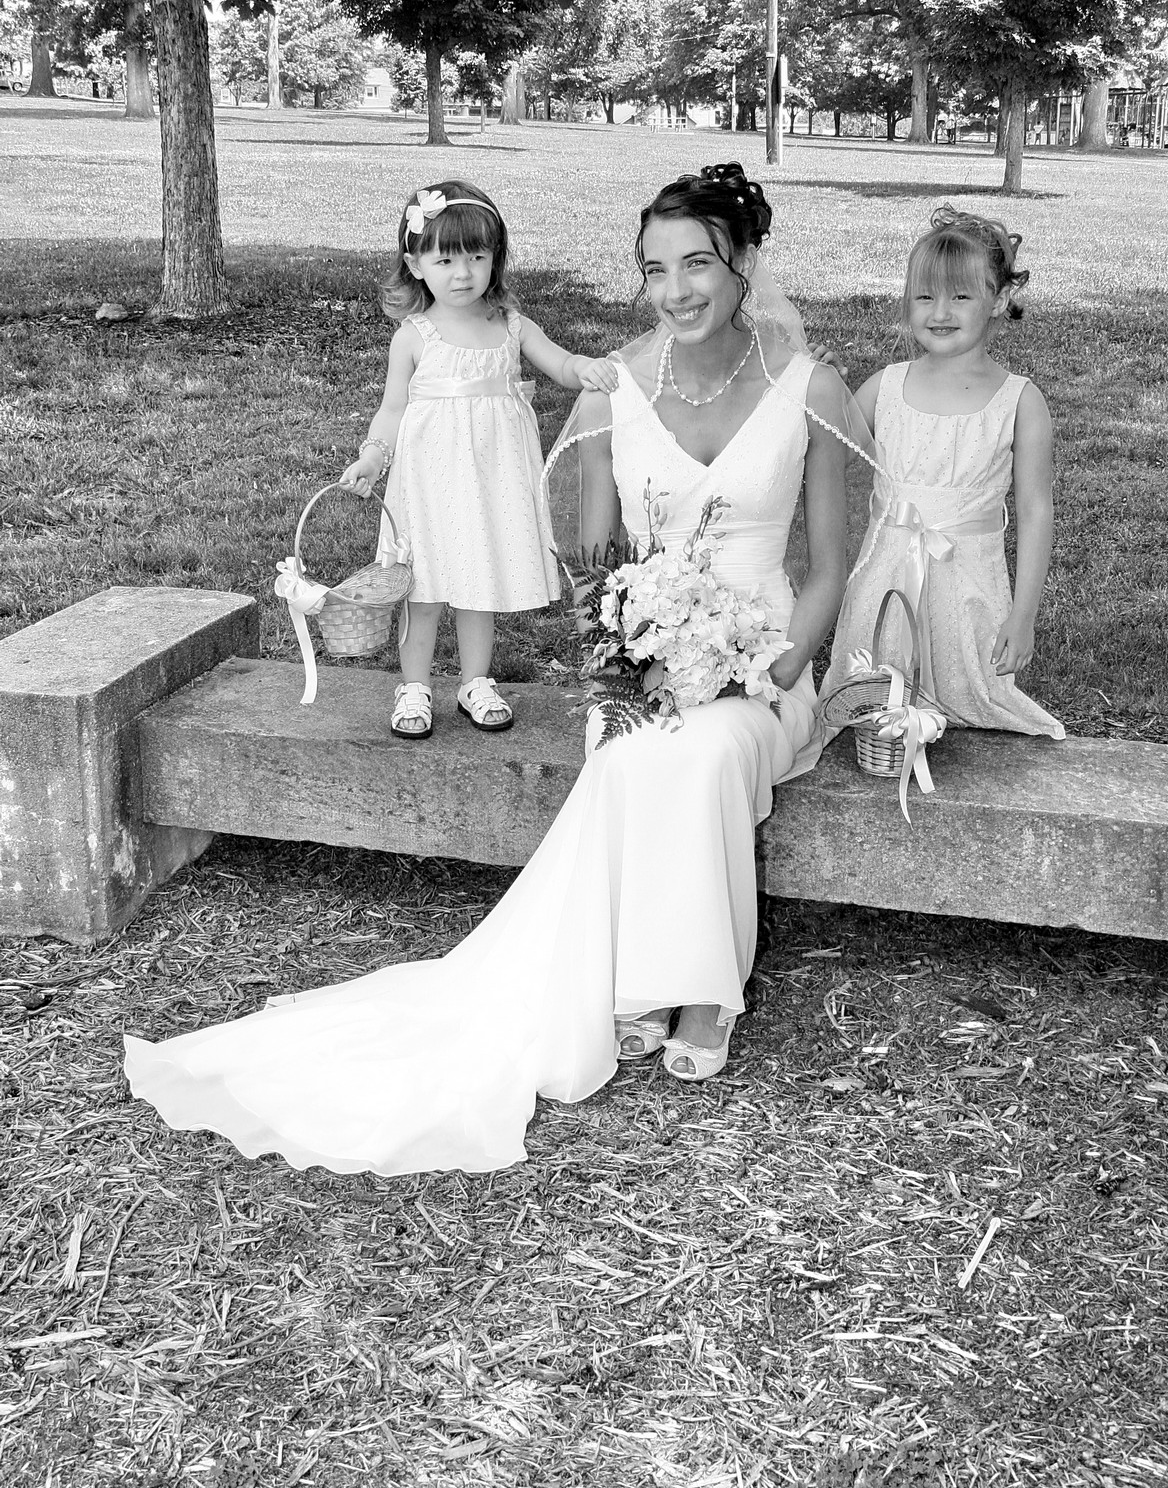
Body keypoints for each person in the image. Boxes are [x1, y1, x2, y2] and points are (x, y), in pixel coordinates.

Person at [123, 164, 855, 1176]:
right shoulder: (614, 385)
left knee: (707, 752)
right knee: (637, 750)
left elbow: (831, 566)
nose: (676, 290)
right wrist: (628, 657)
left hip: (770, 662)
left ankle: (700, 988)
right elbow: (600, 562)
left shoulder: (810, 386)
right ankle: (650, 977)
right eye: (655, 270)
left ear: (744, 265)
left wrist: (770, 668)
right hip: (646, 659)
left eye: (698, 264)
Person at [338, 180, 617, 740]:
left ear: (496, 259)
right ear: (415, 265)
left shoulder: (512, 327)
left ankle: (475, 681)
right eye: (445, 260)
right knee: (422, 586)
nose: (462, 273)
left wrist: (584, 367)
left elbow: (560, 364)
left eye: (476, 257)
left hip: (491, 478)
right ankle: (414, 686)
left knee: (478, 581)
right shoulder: (414, 336)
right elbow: (392, 409)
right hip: (429, 481)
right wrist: (373, 456)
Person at [824, 205, 1064, 739]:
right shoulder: (883, 387)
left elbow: (1035, 511)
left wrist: (1023, 616)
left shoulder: (1020, 402)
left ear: (997, 300)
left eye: (961, 296)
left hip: (968, 587)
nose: (940, 311)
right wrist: (823, 389)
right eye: (925, 296)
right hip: (884, 582)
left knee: (969, 711)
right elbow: (827, 459)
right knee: (875, 701)